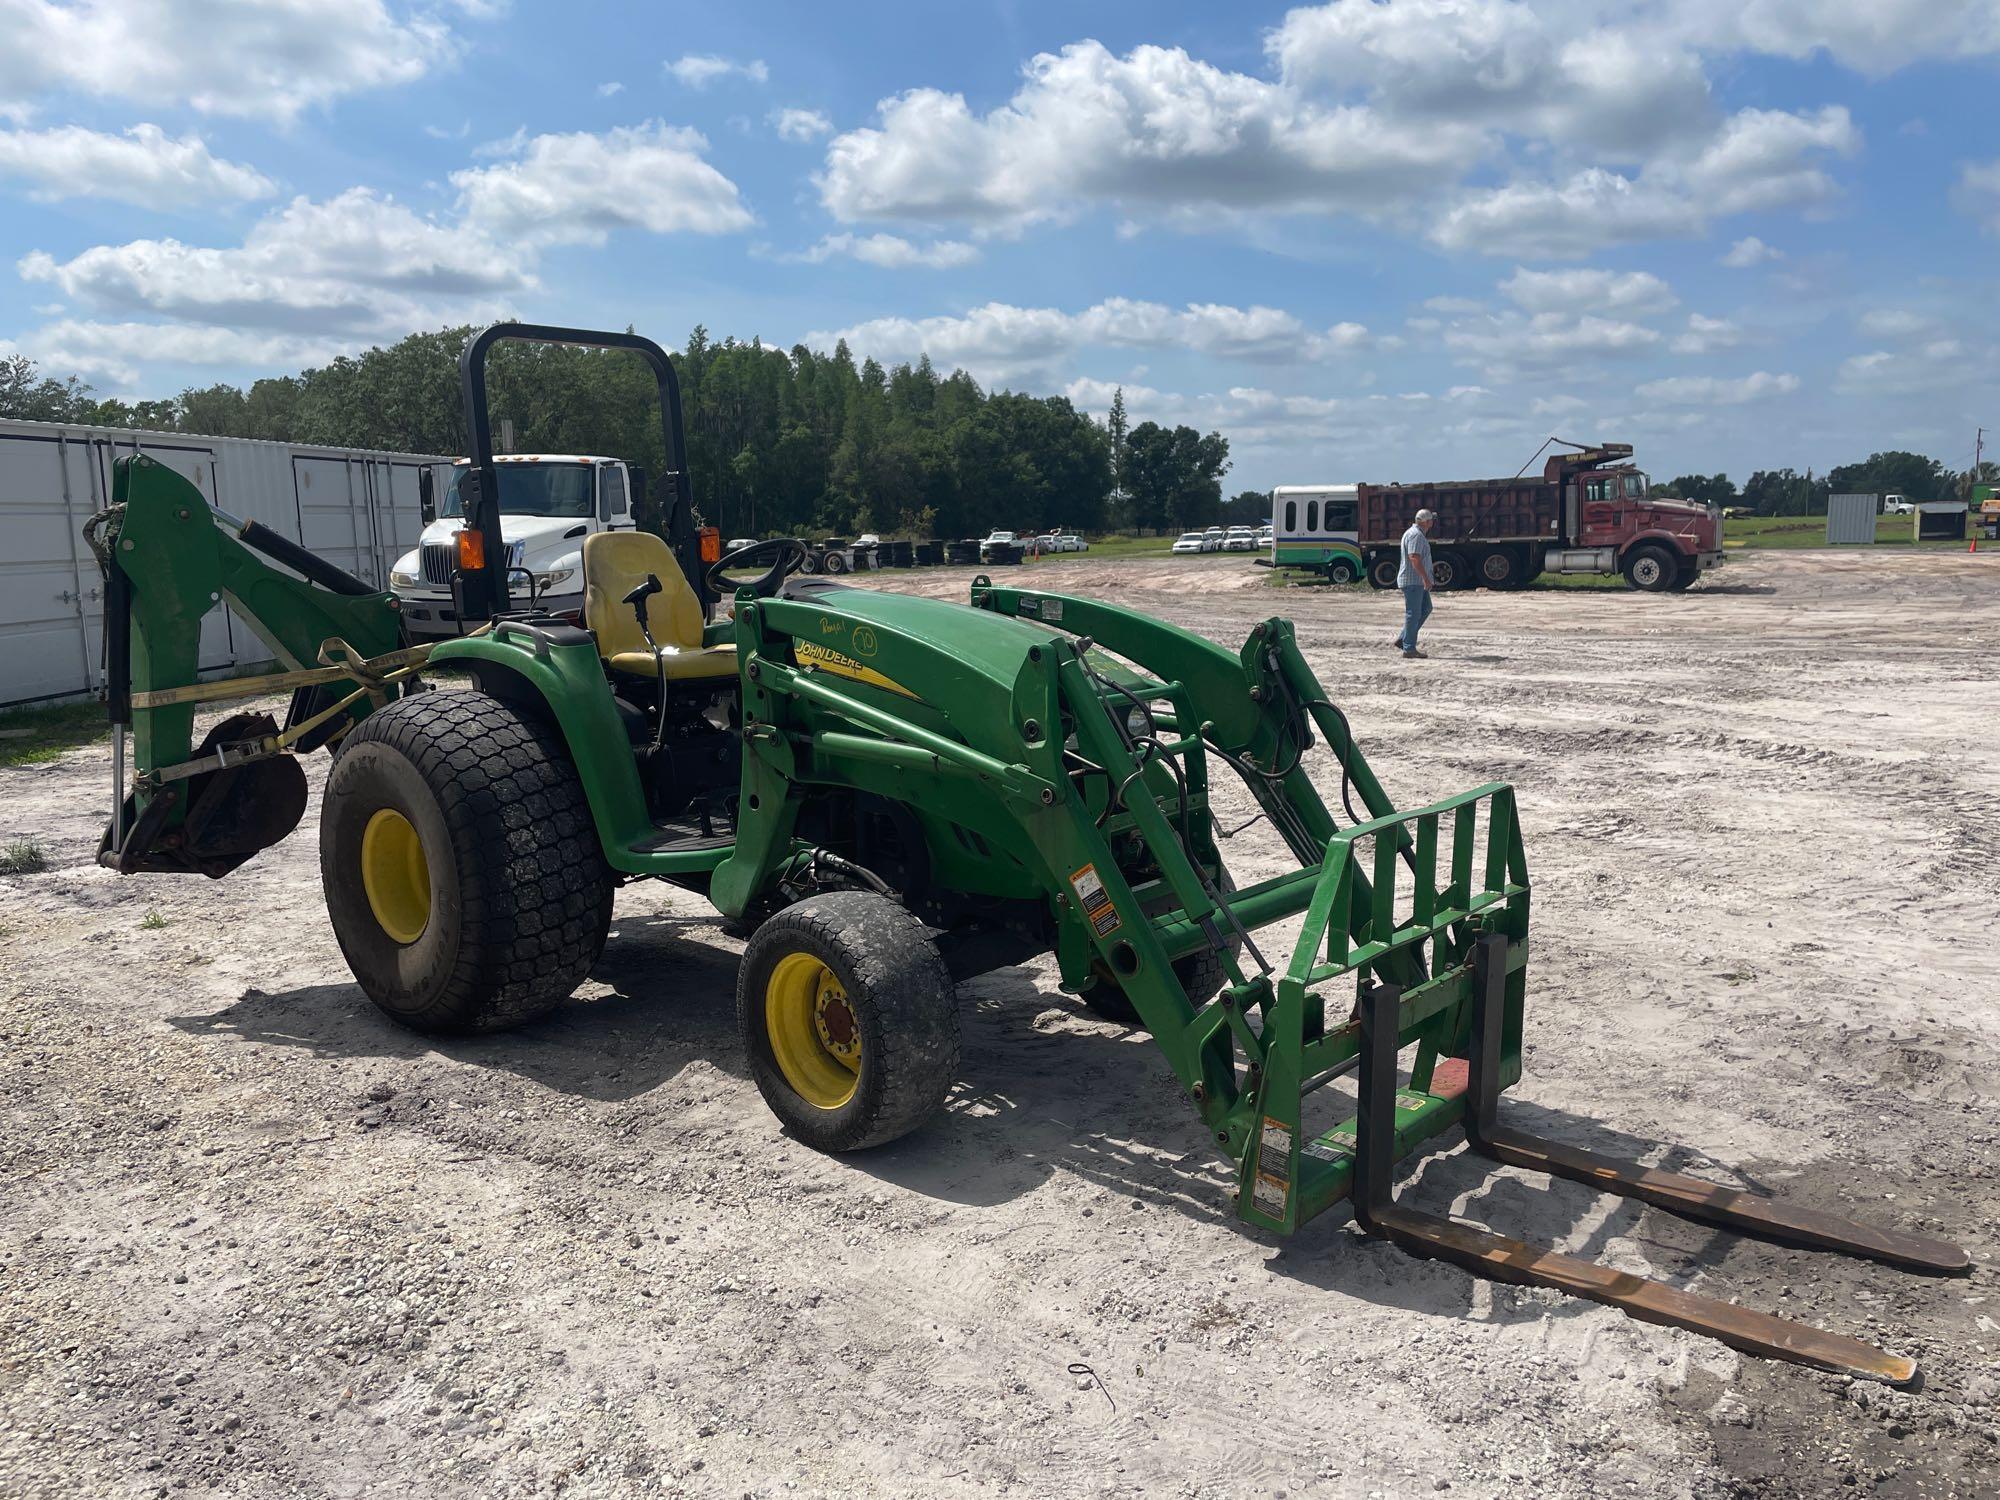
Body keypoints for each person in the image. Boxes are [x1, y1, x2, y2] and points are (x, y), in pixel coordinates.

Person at [1394, 509, 1436, 659]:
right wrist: (1425, 578)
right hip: (1413, 581)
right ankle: (1409, 648)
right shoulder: (1416, 535)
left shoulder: (1417, 534)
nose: (1433, 522)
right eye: (1431, 520)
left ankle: (1404, 638)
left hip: (1417, 581)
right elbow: (1414, 558)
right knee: (1413, 614)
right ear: (1426, 522)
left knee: (1426, 608)